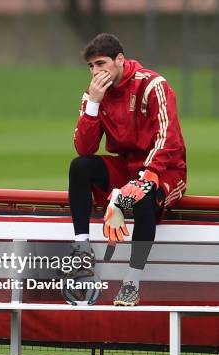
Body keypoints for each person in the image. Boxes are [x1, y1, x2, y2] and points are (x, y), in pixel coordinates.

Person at [67, 33, 186, 306]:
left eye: (101, 64)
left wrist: (147, 175)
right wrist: (94, 104)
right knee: (80, 167)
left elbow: (169, 138)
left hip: (166, 168)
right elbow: (84, 148)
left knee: (142, 196)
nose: (96, 72)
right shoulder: (94, 94)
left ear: (120, 60)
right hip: (127, 165)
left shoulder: (153, 84)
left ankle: (132, 281)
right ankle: (82, 249)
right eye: (91, 66)